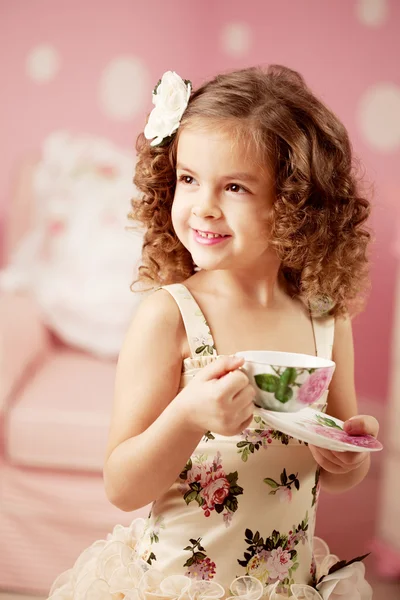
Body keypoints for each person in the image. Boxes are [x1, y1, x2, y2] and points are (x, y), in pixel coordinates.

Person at [48, 65, 378, 599]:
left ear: (294, 203)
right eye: (188, 178)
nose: (203, 205)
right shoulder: (171, 316)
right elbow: (122, 485)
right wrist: (188, 415)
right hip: (173, 586)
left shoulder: (325, 318)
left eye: (234, 186)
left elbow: (333, 469)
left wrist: (349, 459)